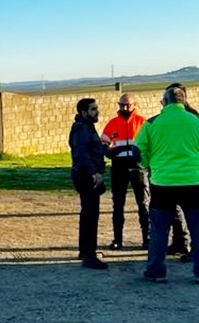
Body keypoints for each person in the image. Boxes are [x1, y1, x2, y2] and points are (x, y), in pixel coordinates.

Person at [136, 87, 199, 284]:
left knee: (159, 229)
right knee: (198, 228)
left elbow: (139, 150)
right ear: (184, 101)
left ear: (163, 102)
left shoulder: (152, 123)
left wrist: (148, 166)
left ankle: (156, 270)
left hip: (163, 182)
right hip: (193, 182)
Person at [100, 93, 150, 250]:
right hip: (119, 166)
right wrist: (109, 151)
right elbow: (103, 142)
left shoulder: (143, 123)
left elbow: (151, 144)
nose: (125, 108)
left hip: (138, 167)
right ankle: (117, 239)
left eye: (128, 105)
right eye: (122, 105)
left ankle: (147, 238)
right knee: (118, 204)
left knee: (144, 203)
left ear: (135, 105)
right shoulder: (113, 123)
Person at [69, 98, 109, 270]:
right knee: (90, 215)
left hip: (87, 175)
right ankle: (89, 255)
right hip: (86, 177)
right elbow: (82, 154)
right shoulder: (81, 130)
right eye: (93, 109)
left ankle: (86, 251)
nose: (96, 112)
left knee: (89, 214)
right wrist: (94, 173)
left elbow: (94, 149)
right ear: (84, 112)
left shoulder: (87, 128)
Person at [164, 82, 199, 260]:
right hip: (181, 174)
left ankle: (194, 249)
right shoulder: (192, 116)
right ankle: (180, 242)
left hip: (186, 175)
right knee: (176, 212)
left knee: (192, 215)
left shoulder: (192, 116)